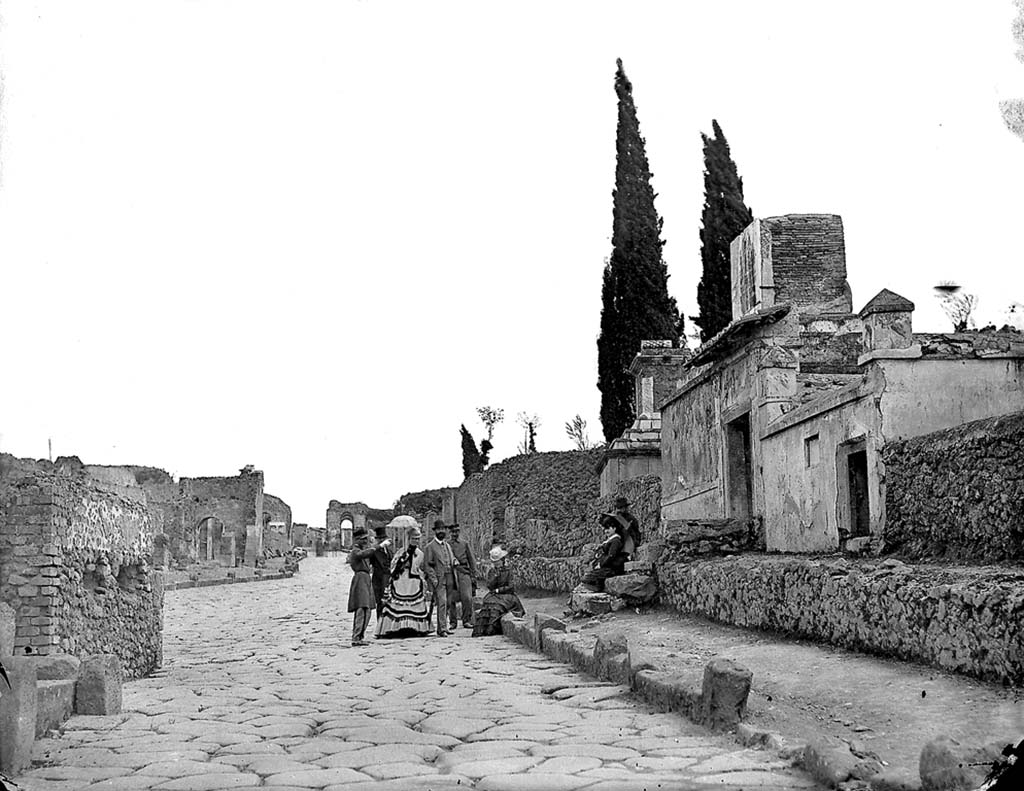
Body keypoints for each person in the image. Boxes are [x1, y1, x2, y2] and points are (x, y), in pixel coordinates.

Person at [375, 526, 431, 638]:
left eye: (417, 539)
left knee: (414, 604)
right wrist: (401, 562)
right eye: (413, 539)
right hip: (401, 580)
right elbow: (393, 566)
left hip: (414, 581)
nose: (416, 541)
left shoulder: (420, 553)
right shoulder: (401, 551)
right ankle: (396, 627)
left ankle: (415, 627)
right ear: (408, 539)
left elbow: (420, 566)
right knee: (398, 603)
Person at [472, 546, 525, 636]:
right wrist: (495, 577)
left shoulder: (509, 571)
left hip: (507, 595)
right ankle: (484, 628)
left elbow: (511, 586)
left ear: (502, 560)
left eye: (498, 561)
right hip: (494, 595)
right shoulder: (492, 571)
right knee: (488, 604)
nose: (496, 564)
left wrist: (499, 590)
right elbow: (489, 586)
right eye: (494, 562)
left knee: (498, 606)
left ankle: (492, 628)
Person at [580, 512, 630, 592]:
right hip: (608, 566)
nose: (606, 531)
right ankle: (598, 585)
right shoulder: (610, 540)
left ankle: (598, 587)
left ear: (614, 528)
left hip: (612, 568)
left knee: (586, 578)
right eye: (605, 529)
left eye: (608, 528)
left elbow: (611, 556)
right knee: (587, 575)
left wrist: (600, 564)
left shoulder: (616, 541)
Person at [422, 521, 457, 636]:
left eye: (443, 529)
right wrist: (434, 579)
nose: (441, 531)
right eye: (439, 529)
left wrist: (454, 561)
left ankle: (444, 627)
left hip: (450, 576)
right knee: (442, 602)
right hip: (439, 578)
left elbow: (451, 558)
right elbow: (427, 565)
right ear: (435, 531)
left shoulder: (447, 545)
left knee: (448, 602)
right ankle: (441, 629)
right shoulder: (430, 547)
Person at [347, 527, 376, 646]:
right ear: (357, 539)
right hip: (360, 579)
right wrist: (376, 547)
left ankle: (361, 635)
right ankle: (356, 636)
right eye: (363, 539)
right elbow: (363, 554)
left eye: (366, 539)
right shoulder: (355, 550)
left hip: (366, 578)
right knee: (361, 608)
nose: (365, 541)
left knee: (367, 609)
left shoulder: (362, 549)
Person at [447, 524, 478, 630]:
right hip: (451, 572)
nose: (455, 534)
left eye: (456, 532)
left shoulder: (465, 544)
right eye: (452, 532)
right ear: (449, 533)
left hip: (464, 572)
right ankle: (453, 622)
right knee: (451, 598)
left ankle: (467, 620)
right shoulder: (446, 545)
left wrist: (473, 574)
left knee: (467, 597)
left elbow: (471, 559)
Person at [370, 525, 394, 621]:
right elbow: (370, 556)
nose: (381, 540)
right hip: (379, 580)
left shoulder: (388, 550)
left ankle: (387, 625)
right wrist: (379, 546)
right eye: (379, 538)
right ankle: (380, 624)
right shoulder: (375, 550)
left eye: (383, 538)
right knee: (380, 603)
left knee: (389, 603)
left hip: (388, 579)